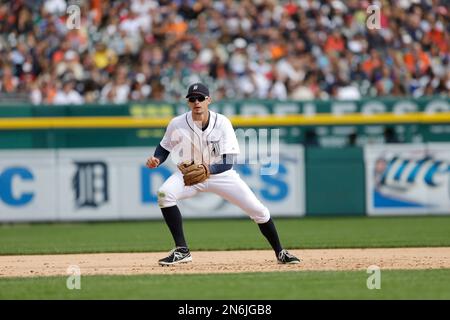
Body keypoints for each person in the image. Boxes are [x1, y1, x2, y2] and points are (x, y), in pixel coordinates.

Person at [146, 83, 301, 266]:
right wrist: (157, 158)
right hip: (190, 174)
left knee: (259, 211)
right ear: (188, 102)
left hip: (221, 175)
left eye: (201, 98)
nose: (197, 102)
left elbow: (228, 160)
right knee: (165, 194)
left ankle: (280, 252)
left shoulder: (222, 122)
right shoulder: (177, 123)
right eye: (192, 99)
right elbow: (164, 147)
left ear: (208, 100)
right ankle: (182, 250)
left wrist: (208, 170)